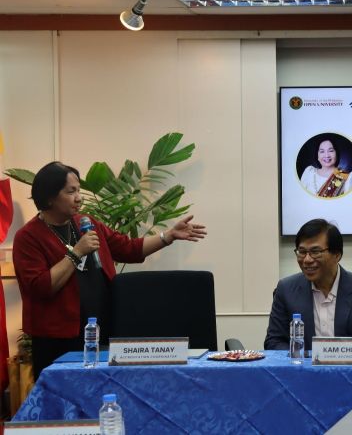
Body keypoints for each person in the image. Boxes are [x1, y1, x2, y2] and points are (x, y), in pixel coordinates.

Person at [12, 162, 207, 379]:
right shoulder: (28, 237)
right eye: (71, 191)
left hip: (103, 330)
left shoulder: (87, 223)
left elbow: (129, 249)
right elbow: (40, 287)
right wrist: (76, 253)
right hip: (58, 340)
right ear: (49, 197)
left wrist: (167, 236)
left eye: (79, 190)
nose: (79, 197)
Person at [264, 218, 352, 350]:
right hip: (302, 369)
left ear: (337, 255)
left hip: (349, 370)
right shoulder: (286, 290)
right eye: (302, 252)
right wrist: (305, 360)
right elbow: (274, 342)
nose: (307, 260)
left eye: (315, 252)